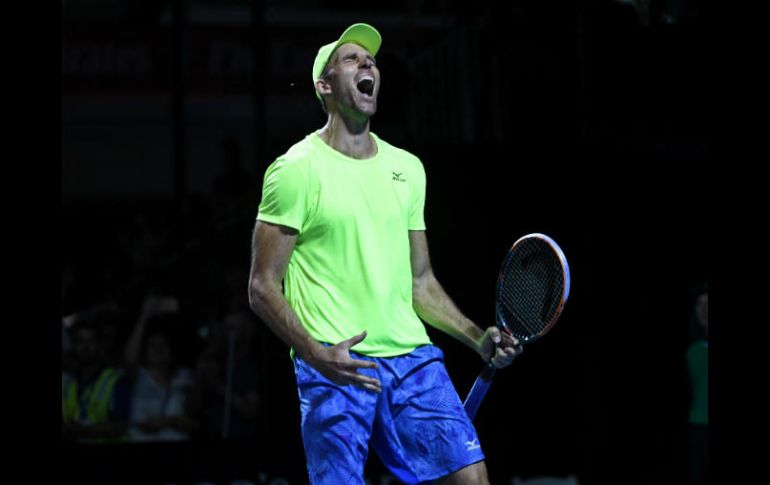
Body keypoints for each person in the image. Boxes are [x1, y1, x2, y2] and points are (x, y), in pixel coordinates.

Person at [248, 23, 522, 485]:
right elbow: (261, 286)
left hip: (413, 360)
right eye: (352, 59)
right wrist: (315, 354)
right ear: (325, 85)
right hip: (338, 365)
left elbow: (421, 283)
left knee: (471, 480)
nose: (367, 64)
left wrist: (479, 338)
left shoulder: (407, 170)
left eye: (370, 59)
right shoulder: (295, 171)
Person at [123, 293, 199, 442]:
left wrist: (169, 422)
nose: (158, 349)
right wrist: (144, 317)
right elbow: (128, 360)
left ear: (172, 351)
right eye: (153, 345)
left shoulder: (184, 378)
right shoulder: (138, 376)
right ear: (144, 351)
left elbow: (195, 421)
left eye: (163, 345)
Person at [62, 317, 131, 443]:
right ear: (73, 345)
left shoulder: (115, 380)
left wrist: (78, 430)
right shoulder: (67, 383)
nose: (85, 347)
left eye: (91, 341)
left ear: (99, 345)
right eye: (80, 341)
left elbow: (119, 427)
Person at [686, 283, 708, 485]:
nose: (704, 309)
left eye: (708, 304)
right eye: (699, 304)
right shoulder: (690, 348)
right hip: (697, 429)